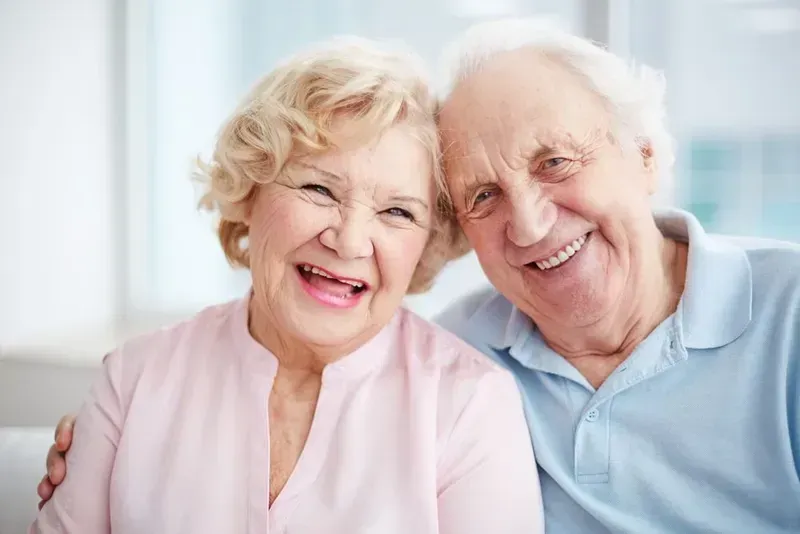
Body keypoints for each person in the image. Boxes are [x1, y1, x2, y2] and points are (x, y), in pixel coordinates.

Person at [40, 18, 800, 533]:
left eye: (557, 162)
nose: (530, 224)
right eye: (483, 196)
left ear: (644, 156)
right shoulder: (475, 349)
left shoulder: (464, 394)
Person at [30, 36, 544, 534]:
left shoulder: (471, 405)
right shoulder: (133, 381)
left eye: (396, 212)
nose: (349, 242)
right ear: (251, 191)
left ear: (427, 244)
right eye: (320, 188)